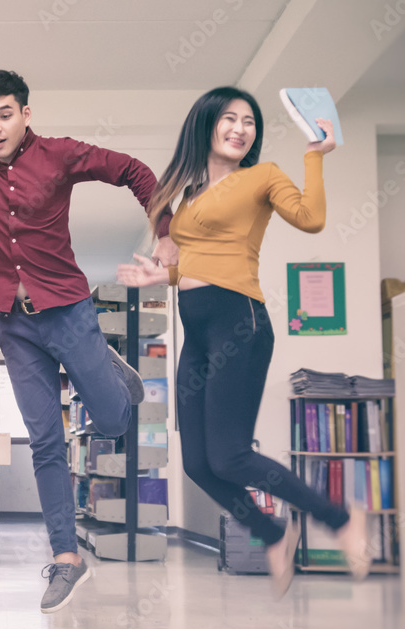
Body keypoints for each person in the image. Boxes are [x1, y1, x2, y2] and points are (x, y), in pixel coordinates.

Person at [0, 35, 172, 613]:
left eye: (5, 115)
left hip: (68, 310)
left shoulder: (61, 154)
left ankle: (110, 378)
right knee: (43, 442)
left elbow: (135, 171)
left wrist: (163, 230)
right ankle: (67, 558)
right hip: (13, 324)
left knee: (116, 424)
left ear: (25, 114)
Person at [117, 87, 370, 597]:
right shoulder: (187, 197)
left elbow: (311, 219)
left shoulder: (264, 176)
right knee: (197, 463)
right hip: (196, 331)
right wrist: (160, 276)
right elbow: (191, 266)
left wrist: (313, 158)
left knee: (230, 456)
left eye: (249, 121)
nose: (240, 128)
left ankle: (340, 518)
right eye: (229, 118)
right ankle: (274, 533)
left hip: (240, 322)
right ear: (207, 125)